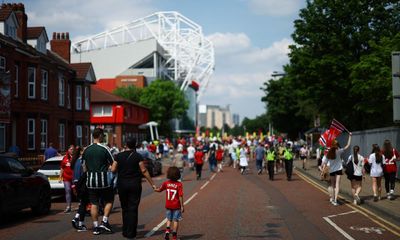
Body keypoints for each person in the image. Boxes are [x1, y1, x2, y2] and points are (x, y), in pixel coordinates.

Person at [111, 138, 156, 239]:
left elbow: (113, 169)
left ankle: (125, 231)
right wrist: (152, 184)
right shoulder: (137, 156)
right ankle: (131, 233)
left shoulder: (118, 156)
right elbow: (144, 170)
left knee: (125, 208)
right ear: (134, 145)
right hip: (134, 184)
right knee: (133, 208)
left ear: (125, 145)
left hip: (122, 184)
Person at [82, 128, 115, 235]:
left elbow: (84, 166)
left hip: (91, 181)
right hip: (104, 181)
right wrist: (111, 170)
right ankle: (104, 221)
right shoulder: (105, 148)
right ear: (100, 135)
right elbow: (113, 163)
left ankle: (96, 227)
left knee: (94, 204)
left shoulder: (86, 149)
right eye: (103, 135)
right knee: (109, 201)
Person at [321, 133, 352, 206]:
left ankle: (332, 199)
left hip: (331, 170)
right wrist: (350, 136)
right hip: (339, 170)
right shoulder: (339, 151)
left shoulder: (328, 153)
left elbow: (324, 163)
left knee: (332, 185)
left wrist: (323, 170)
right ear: (337, 145)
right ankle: (335, 200)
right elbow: (347, 145)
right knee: (337, 185)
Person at [155, 167, 184, 240]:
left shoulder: (166, 183)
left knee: (168, 219)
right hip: (176, 205)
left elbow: (160, 190)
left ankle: (167, 231)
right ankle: (174, 236)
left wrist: (155, 189)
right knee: (176, 220)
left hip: (168, 205)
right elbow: (180, 196)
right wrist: (182, 206)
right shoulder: (179, 184)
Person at [71, 146, 89, 232]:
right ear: (81, 152)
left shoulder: (76, 160)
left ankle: (79, 221)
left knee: (83, 204)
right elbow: (85, 173)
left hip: (77, 185)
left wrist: (74, 186)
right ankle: (77, 220)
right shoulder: (83, 161)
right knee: (83, 204)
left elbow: (74, 175)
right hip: (82, 185)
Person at [59, 144, 75, 213]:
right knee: (67, 190)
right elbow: (62, 168)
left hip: (74, 178)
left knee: (76, 191)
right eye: (71, 149)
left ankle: (81, 204)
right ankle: (68, 206)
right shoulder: (65, 158)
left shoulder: (75, 157)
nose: (72, 151)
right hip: (66, 177)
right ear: (68, 150)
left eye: (73, 149)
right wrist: (60, 176)